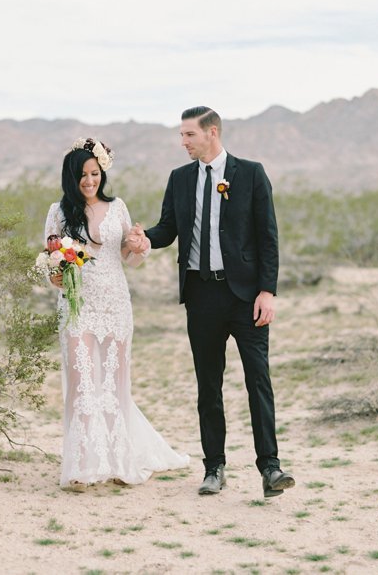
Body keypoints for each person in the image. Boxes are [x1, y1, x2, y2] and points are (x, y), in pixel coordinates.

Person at [128, 106, 295, 498]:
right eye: (181, 136)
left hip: (246, 298)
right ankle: (214, 468)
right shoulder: (180, 178)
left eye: (189, 135)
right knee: (208, 385)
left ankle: (270, 468)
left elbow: (268, 236)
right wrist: (145, 238)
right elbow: (169, 227)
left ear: (211, 133)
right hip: (201, 295)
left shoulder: (250, 174)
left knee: (259, 381)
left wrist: (267, 292)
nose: (183, 142)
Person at [45, 137, 188, 490]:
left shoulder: (118, 207)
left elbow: (132, 257)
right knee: (80, 384)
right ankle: (81, 467)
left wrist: (140, 245)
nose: (90, 181)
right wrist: (60, 271)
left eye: (94, 174)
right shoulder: (58, 212)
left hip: (115, 304)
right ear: (70, 178)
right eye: (82, 176)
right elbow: (51, 271)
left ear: (102, 173)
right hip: (77, 306)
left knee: (112, 384)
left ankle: (116, 461)